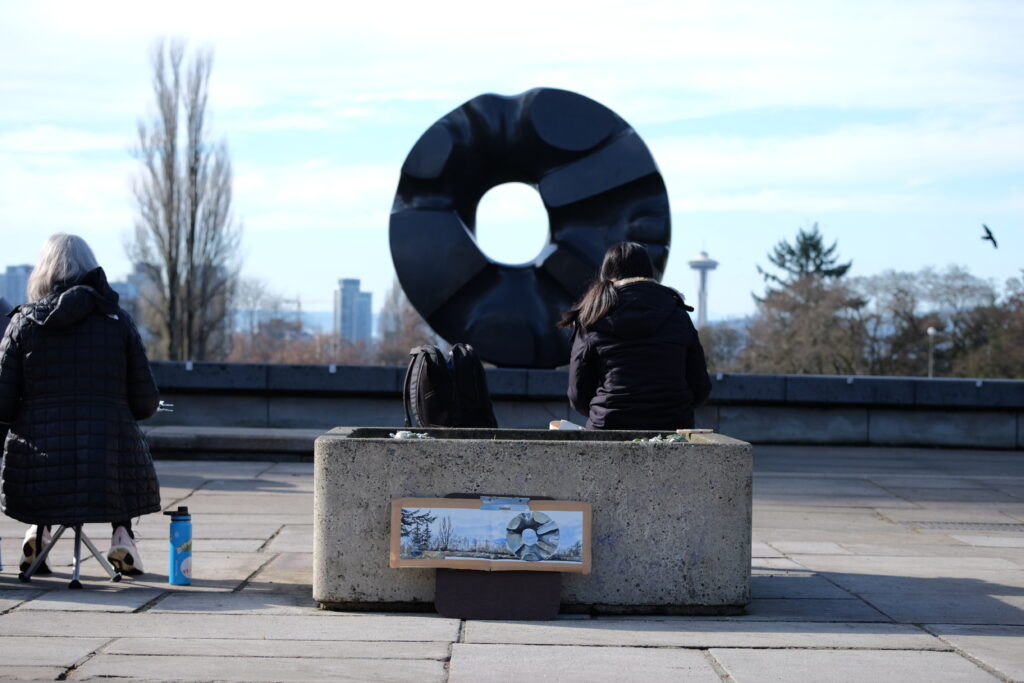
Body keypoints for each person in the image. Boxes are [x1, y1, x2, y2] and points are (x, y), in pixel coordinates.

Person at [0, 233, 161, 576]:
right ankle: (122, 536)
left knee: (44, 450)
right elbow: (145, 402)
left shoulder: (23, 322)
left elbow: (2, 404)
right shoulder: (118, 322)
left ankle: (38, 534)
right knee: (114, 442)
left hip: (40, 463)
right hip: (106, 464)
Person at [559, 241, 712, 430]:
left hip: (608, 426)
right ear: (649, 272)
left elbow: (578, 394)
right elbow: (701, 387)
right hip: (673, 426)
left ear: (606, 274)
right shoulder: (677, 314)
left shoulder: (592, 317)